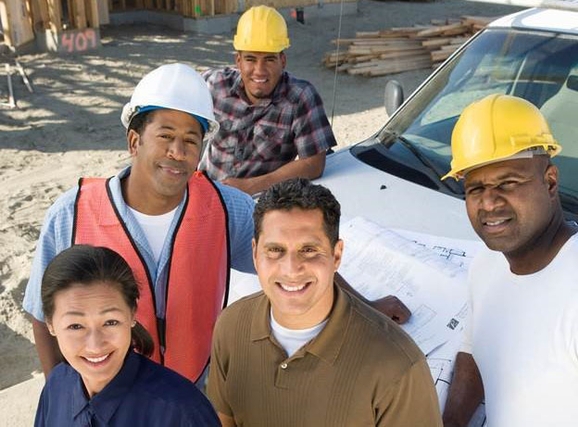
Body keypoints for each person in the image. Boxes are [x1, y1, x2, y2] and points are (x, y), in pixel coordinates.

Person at [23, 63, 256, 384]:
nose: (177, 152)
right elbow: (41, 313)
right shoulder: (71, 214)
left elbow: (288, 260)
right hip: (104, 394)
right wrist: (58, 395)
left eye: (191, 140)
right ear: (134, 141)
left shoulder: (229, 209)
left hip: (193, 390)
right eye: (165, 136)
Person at [207, 178, 442, 426]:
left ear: (336, 255)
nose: (291, 269)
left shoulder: (398, 367)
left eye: (308, 250)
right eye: (275, 250)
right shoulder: (231, 327)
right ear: (255, 253)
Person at [440, 94, 578, 426]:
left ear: (550, 182)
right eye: (475, 189)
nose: (489, 203)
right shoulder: (486, 265)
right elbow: (474, 348)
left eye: (508, 183)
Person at [35, 245, 220, 426]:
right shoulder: (56, 386)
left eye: (110, 322)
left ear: (132, 314)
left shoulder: (183, 413)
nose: (95, 345)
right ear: (50, 324)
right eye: (75, 326)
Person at [199, 5, 337, 196]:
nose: (260, 70)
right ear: (238, 61)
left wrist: (251, 186)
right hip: (205, 193)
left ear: (283, 61)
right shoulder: (214, 84)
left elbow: (314, 164)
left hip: (259, 200)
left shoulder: (300, 98)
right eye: (251, 59)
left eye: (269, 60)